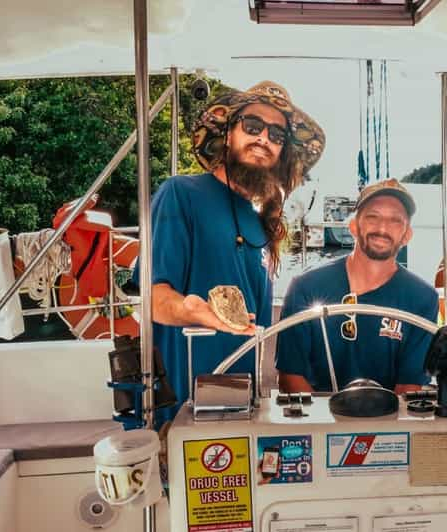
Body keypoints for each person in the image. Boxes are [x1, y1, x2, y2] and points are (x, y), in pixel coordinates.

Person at [137, 81, 325, 424]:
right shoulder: (180, 194)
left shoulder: (261, 225)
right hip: (183, 411)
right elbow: (153, 298)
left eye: (277, 135)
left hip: (244, 409)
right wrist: (192, 310)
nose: (264, 139)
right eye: (253, 126)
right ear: (227, 133)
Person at [275, 179, 438, 394]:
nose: (382, 228)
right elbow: (290, 376)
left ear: (407, 235)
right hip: (318, 421)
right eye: (373, 217)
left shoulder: (423, 298)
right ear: (353, 226)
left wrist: (378, 427)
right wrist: (325, 424)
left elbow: (409, 385)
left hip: (389, 421)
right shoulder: (305, 288)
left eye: (395, 221)